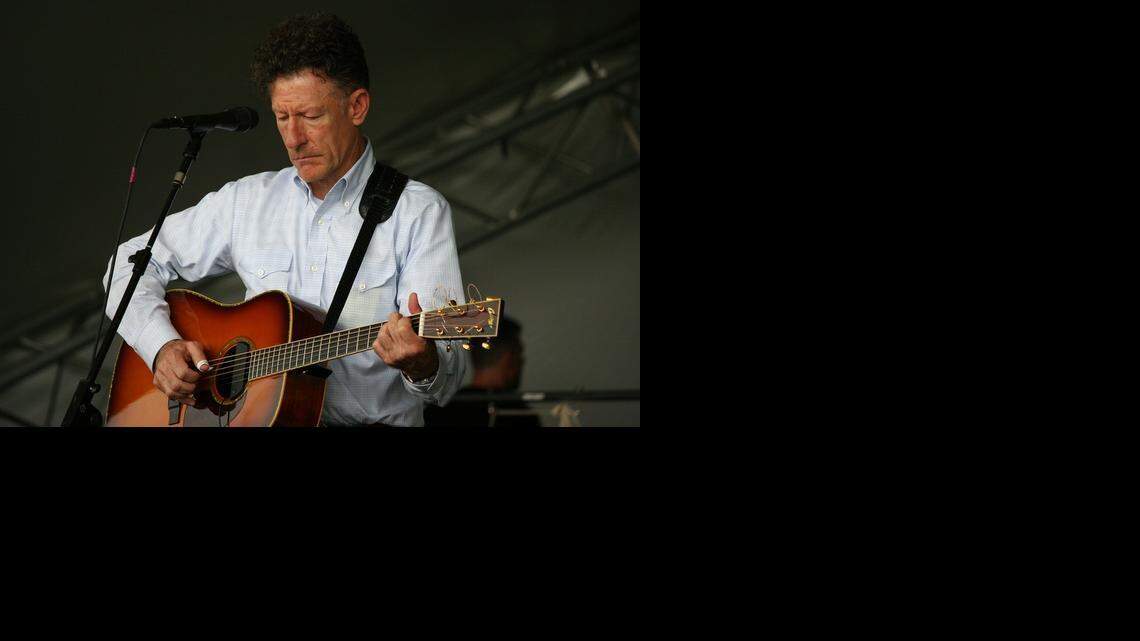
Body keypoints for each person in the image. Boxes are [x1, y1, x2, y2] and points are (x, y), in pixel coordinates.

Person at [102, 13, 466, 426]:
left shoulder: (417, 211)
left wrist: (423, 363)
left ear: (357, 106)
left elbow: (449, 376)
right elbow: (128, 263)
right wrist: (161, 346)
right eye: (281, 117)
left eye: (310, 116)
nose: (293, 138)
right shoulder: (246, 201)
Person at [424, 316, 541, 428]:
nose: (522, 362)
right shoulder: (518, 416)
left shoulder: (437, 411)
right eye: (520, 356)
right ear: (509, 359)